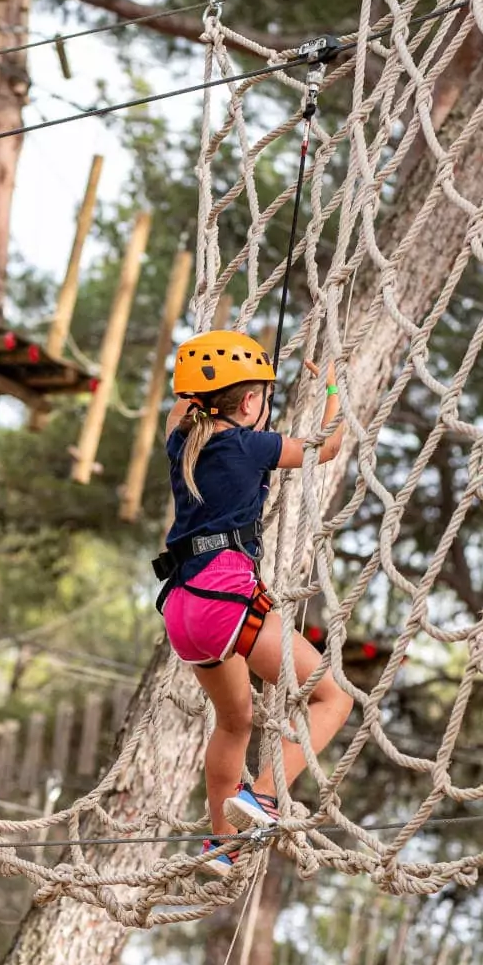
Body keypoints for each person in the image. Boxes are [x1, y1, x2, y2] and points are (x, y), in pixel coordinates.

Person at [152, 330, 353, 873]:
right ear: (248, 403)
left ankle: (220, 842)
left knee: (235, 723)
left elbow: (185, 407)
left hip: (183, 610)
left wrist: (222, 378)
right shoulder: (249, 445)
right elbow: (329, 446)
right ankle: (262, 796)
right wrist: (333, 384)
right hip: (224, 599)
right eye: (261, 396)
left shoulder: (180, 440)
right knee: (332, 698)